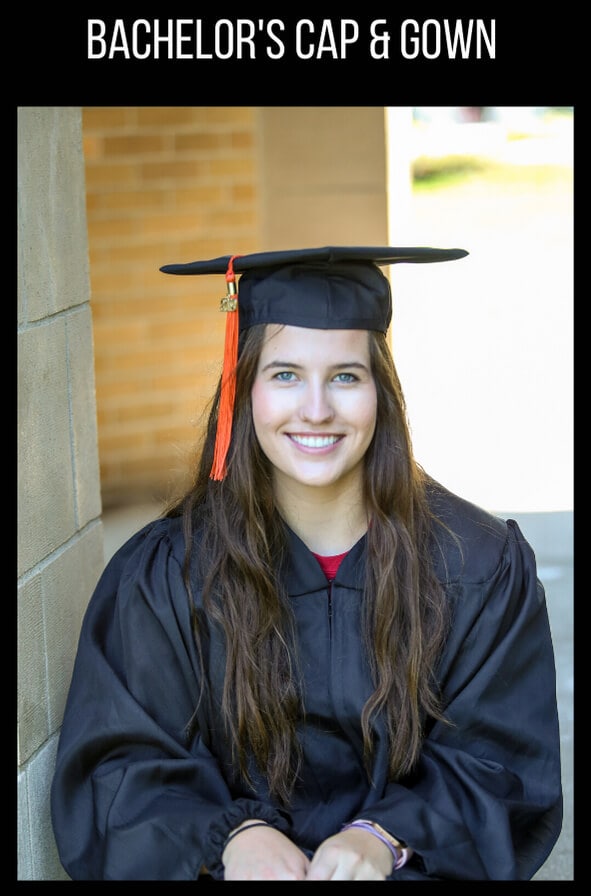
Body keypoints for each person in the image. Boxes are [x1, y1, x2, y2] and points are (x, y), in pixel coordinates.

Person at [50, 246, 563, 881]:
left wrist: (385, 836)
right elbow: (119, 767)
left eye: (345, 376)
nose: (316, 409)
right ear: (243, 389)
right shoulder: (168, 575)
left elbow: (500, 762)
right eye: (285, 374)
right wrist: (231, 837)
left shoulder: (476, 565)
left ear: (382, 392)